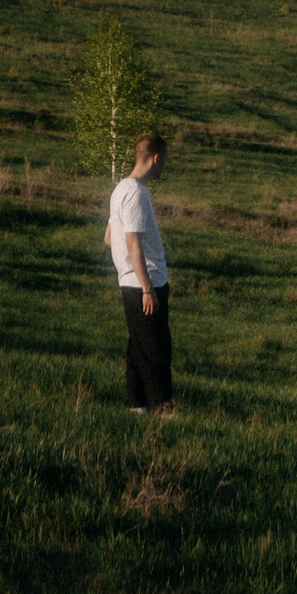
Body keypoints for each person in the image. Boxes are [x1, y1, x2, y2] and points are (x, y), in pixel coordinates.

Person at [107, 134, 175, 416]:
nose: (164, 168)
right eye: (164, 162)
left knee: (137, 350)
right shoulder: (136, 192)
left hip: (129, 282)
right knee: (158, 352)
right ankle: (164, 414)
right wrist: (147, 287)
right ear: (156, 158)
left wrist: (126, 268)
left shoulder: (120, 189)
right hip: (146, 285)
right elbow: (132, 240)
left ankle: (137, 410)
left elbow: (110, 237)